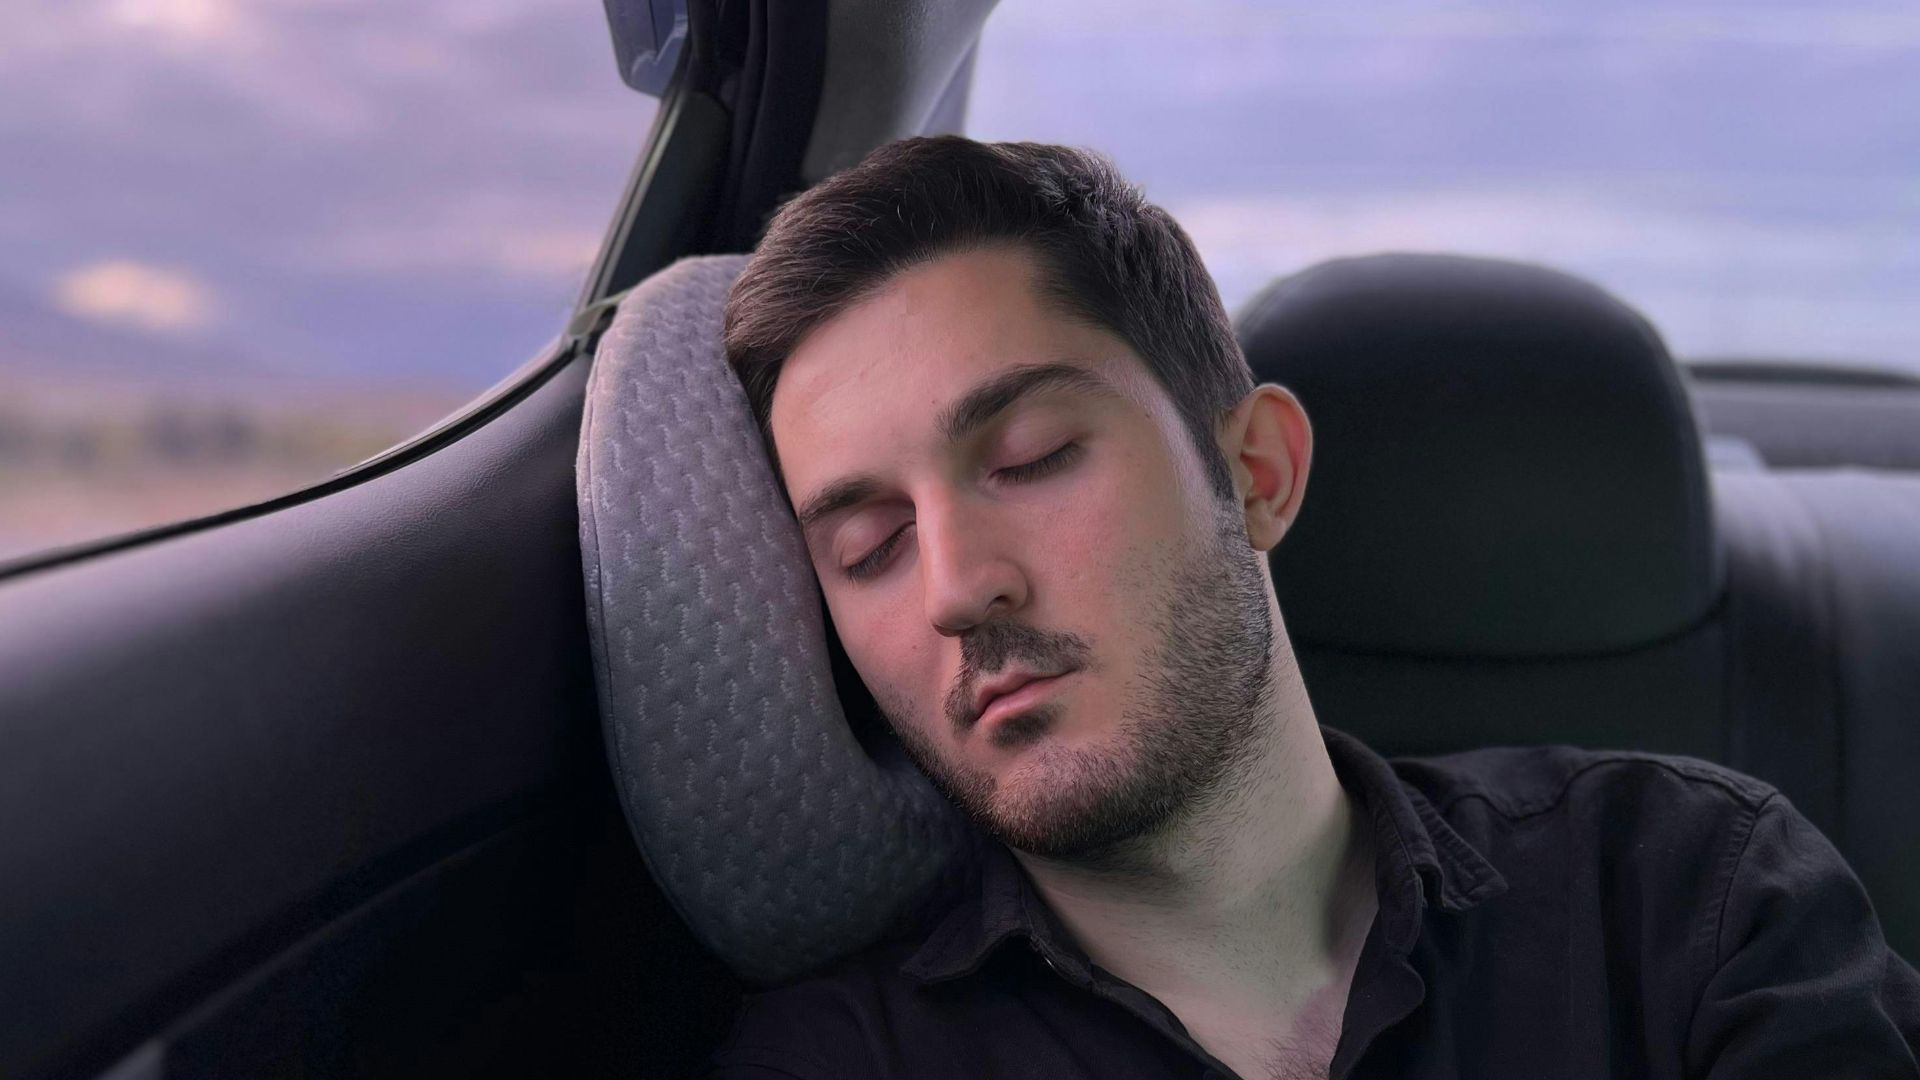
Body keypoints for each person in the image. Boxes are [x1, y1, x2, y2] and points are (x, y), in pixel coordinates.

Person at [706, 135, 1920, 1079]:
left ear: (1256, 475)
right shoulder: (831, 1063)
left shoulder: (1688, 904)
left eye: (1028, 458)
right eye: (870, 544)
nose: (958, 585)